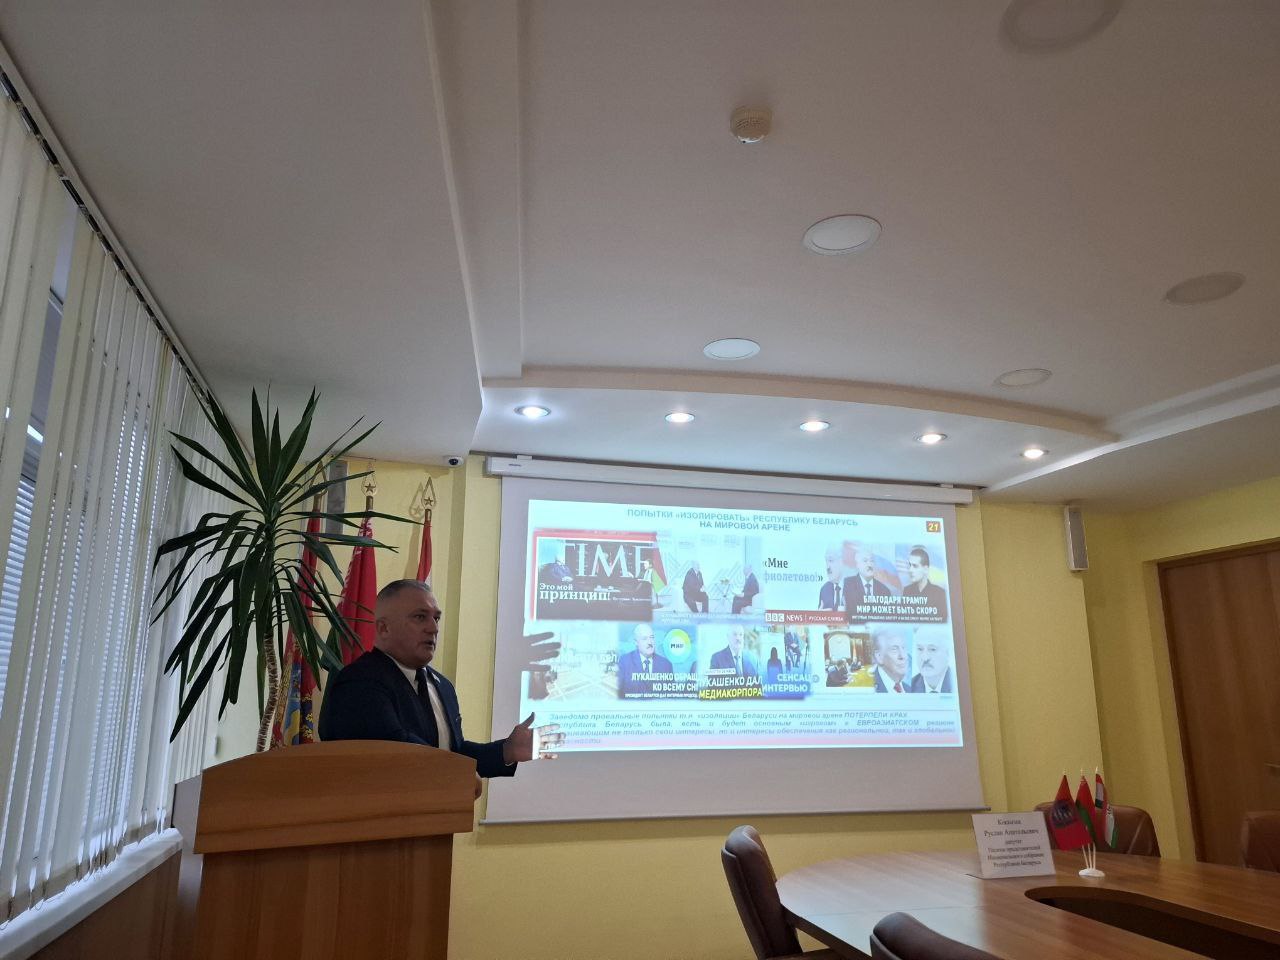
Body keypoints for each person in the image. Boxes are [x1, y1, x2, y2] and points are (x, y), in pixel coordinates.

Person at [319, 580, 564, 779]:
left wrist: (506, 751)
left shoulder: (441, 685)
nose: (433, 628)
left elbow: (452, 751)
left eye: (436, 618)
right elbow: (399, 750)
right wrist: (460, 773)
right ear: (384, 628)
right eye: (420, 617)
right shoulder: (360, 682)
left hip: (437, 819)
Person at [617, 623, 673, 694]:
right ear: (636, 642)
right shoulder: (624, 661)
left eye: (651, 637)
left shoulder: (666, 665)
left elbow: (671, 696)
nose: (650, 642)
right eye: (644, 639)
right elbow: (619, 694)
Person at [843, 545, 895, 615]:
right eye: (865, 561)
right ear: (857, 564)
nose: (869, 564)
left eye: (872, 561)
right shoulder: (846, 585)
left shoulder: (885, 591)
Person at [861, 625, 910, 693]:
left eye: (903, 647)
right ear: (879, 657)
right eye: (894, 649)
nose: (903, 656)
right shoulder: (867, 689)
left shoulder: (910, 689)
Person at [909, 625, 954, 693]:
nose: (925, 658)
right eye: (920, 649)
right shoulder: (908, 688)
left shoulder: (958, 683)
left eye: (932, 649)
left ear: (947, 653)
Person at [902, 546, 947, 611]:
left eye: (915, 566)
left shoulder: (940, 593)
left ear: (925, 569)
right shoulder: (907, 591)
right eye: (910, 565)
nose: (910, 570)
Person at [818, 545, 846, 610]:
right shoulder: (824, 589)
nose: (827, 567)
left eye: (830, 560)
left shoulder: (855, 587)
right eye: (826, 561)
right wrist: (820, 615)